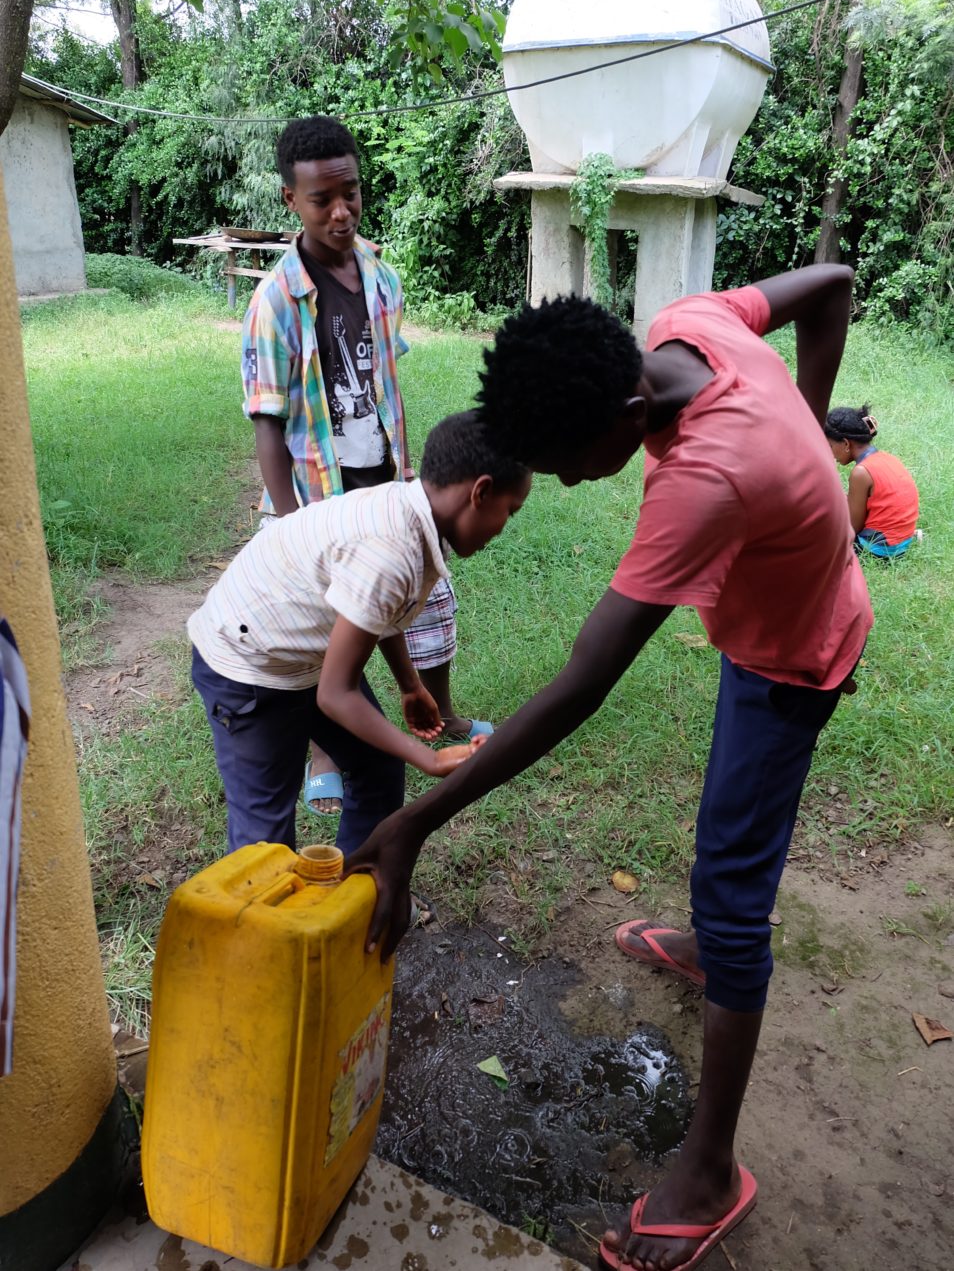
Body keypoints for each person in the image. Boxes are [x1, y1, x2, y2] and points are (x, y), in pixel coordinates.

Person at [343, 267, 873, 1271]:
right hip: (768, 610)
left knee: (732, 881)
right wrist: (804, 430)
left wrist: (416, 821)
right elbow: (832, 284)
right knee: (726, 834)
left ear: (631, 408)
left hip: (795, 652)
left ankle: (710, 1168)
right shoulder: (691, 325)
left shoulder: (706, 480)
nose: (580, 484)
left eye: (578, 465)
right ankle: (712, 946)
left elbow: (580, 687)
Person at [242, 115, 491, 818]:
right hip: (314, 505)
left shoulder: (380, 275)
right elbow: (267, 420)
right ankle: (327, 755)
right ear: (291, 199)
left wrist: (403, 469)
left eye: (350, 192)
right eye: (322, 199)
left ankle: (438, 711)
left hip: (387, 483)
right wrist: (293, 528)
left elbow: (384, 380)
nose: (341, 210)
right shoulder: (274, 300)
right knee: (331, 632)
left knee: (428, 600)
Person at [188, 411, 530, 859]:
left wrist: (410, 685)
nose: (505, 527)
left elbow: (372, 608)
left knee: (377, 765)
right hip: (249, 666)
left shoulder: (408, 510)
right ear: (480, 492)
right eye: (510, 511)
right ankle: (263, 925)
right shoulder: (391, 550)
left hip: (305, 652)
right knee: (264, 841)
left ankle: (354, 896)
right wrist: (427, 758)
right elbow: (335, 694)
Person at [825, 403, 919, 558]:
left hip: (880, 549)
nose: (830, 453)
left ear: (846, 443)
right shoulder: (887, 458)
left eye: (830, 446)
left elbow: (852, 528)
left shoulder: (861, 472)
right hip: (902, 540)